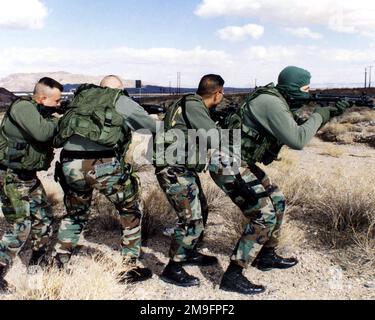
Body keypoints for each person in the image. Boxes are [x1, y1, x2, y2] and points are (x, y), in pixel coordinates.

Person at [209, 66, 350, 295]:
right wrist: (321, 114)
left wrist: (330, 113)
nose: (308, 92)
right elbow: (297, 139)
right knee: (263, 215)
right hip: (227, 163)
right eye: (305, 88)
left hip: (239, 161)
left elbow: (296, 126)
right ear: (293, 87)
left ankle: (266, 255)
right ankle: (232, 276)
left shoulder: (278, 100)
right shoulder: (271, 102)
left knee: (277, 200)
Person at [52, 75, 157, 283]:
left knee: (75, 214)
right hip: (102, 165)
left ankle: (59, 261)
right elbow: (149, 127)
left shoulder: (80, 98)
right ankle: (129, 266)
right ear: (118, 88)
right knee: (130, 208)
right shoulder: (117, 98)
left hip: (69, 164)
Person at [154, 74, 225, 287]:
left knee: (201, 209)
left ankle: (190, 252)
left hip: (181, 166)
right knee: (191, 219)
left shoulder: (189, 103)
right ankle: (173, 268)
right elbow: (214, 138)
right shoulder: (194, 106)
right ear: (218, 93)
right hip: (173, 169)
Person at [0, 77, 63, 292]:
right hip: (11, 176)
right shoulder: (23, 107)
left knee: (44, 217)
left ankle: (37, 261)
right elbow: (43, 133)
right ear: (42, 98)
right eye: (56, 101)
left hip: (27, 176)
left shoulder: (38, 112)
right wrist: (59, 120)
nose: (58, 105)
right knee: (20, 226)